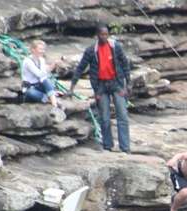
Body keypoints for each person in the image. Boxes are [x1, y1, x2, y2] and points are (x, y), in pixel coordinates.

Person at [69, 24, 132, 153]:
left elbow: (125, 64)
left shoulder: (115, 47)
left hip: (116, 84)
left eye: (106, 34)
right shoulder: (91, 50)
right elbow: (80, 68)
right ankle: (107, 145)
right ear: (97, 35)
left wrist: (128, 83)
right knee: (104, 117)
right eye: (102, 35)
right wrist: (72, 87)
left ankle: (125, 148)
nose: (105, 37)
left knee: (122, 115)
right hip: (101, 86)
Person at [22, 40, 60, 107]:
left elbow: (43, 76)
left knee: (46, 80)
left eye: (43, 49)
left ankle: (53, 100)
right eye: (40, 49)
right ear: (33, 49)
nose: (42, 51)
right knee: (31, 93)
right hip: (30, 88)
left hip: (39, 86)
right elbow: (39, 74)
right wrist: (51, 66)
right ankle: (50, 98)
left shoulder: (41, 60)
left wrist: (53, 66)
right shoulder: (27, 61)